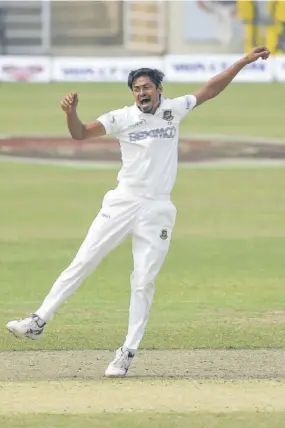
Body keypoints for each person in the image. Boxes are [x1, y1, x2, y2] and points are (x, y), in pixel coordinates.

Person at [6, 46, 270, 378]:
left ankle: (126, 352)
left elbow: (211, 89)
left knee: (143, 281)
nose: (141, 93)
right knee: (84, 259)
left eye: (146, 87)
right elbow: (80, 134)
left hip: (158, 207)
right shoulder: (121, 117)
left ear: (159, 89)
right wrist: (70, 114)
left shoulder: (175, 109)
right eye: (136, 89)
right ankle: (37, 321)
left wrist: (243, 62)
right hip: (123, 201)